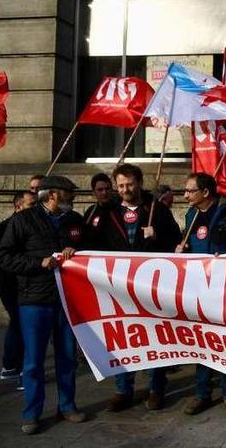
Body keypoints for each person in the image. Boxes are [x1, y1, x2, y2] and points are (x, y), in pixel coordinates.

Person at [0, 176, 87, 435]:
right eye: (68, 192)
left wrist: (75, 250)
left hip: (67, 300)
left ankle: (67, 406)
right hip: (34, 300)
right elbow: (2, 256)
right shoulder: (22, 220)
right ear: (53, 195)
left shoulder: (75, 221)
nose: (73, 197)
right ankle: (31, 413)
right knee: (33, 361)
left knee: (67, 357)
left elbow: (89, 250)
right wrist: (38, 264)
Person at [90, 163, 182, 412]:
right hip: (116, 285)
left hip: (150, 285)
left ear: (139, 183)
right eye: (120, 185)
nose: (125, 189)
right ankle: (123, 389)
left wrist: (157, 236)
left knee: (155, 336)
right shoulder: (106, 211)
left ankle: (156, 388)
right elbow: (91, 242)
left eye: (129, 184)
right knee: (121, 337)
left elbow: (176, 240)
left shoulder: (157, 209)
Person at [176, 173, 226, 417]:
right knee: (202, 341)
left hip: (224, 288)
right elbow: (191, 246)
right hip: (198, 288)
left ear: (205, 192)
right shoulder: (192, 215)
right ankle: (202, 393)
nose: (185, 195)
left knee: (225, 342)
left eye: (189, 191)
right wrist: (181, 250)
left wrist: (223, 257)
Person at [0, 190, 36, 386]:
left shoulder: (33, 226)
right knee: (22, 326)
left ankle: (11, 367)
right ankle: (21, 371)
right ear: (18, 206)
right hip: (12, 288)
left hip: (28, 287)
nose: (35, 209)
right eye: (31, 205)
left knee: (18, 325)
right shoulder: (4, 228)